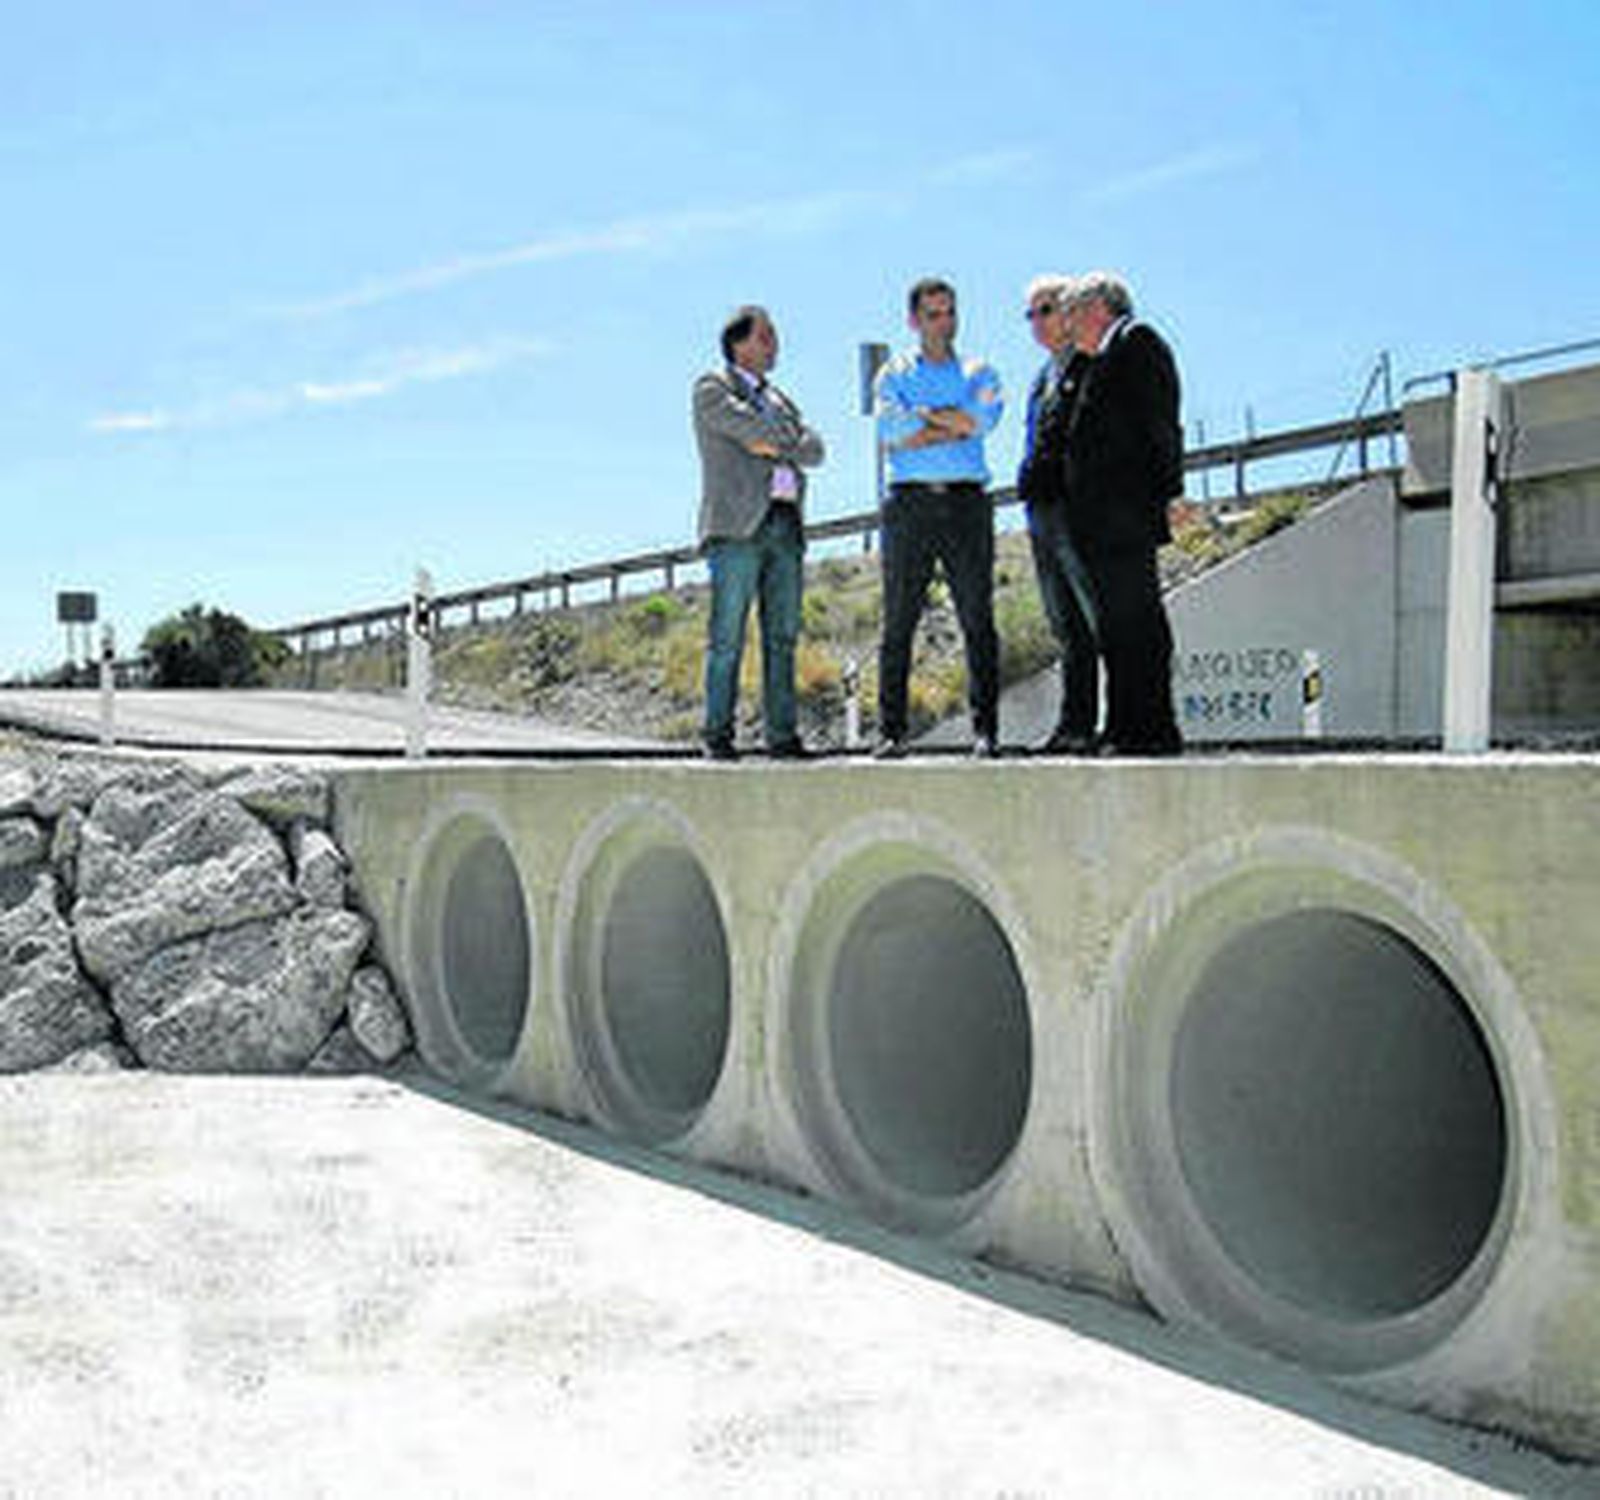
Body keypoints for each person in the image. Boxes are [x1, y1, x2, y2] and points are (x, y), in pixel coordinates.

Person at [872, 277, 1004, 758]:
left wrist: (924, 418)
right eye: (933, 314)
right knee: (899, 620)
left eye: (950, 312)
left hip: (967, 504)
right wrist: (952, 423)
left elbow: (983, 422)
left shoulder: (980, 369)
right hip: (910, 505)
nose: (943, 322)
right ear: (913, 320)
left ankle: (986, 731)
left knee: (978, 617)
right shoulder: (892, 374)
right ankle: (891, 731)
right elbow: (892, 430)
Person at [1059, 271, 1184, 756]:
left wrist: (1168, 492)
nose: (1067, 326)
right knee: (1115, 625)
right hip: (1100, 520)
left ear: (1097, 308)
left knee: (1138, 622)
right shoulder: (1099, 358)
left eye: (1071, 314)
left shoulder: (1137, 343)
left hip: (1126, 514)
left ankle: (1151, 727)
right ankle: (1125, 724)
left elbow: (1159, 422)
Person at [692, 305, 825, 760]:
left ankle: (782, 737)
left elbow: (816, 448)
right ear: (739, 343)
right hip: (738, 529)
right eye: (765, 336)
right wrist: (780, 439)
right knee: (727, 636)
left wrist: (775, 439)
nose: (774, 345)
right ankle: (717, 735)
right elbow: (748, 430)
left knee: (782, 636)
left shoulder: (781, 400)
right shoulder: (711, 388)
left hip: (786, 524)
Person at [1017, 273, 1099, 754]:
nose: (1038, 322)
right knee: (1065, 626)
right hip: (1041, 514)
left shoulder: (1092, 366)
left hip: (1078, 511)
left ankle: (1116, 720)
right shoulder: (1039, 378)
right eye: (1031, 314)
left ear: (1070, 312)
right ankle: (1074, 724)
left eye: (1046, 310)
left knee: (1096, 620)